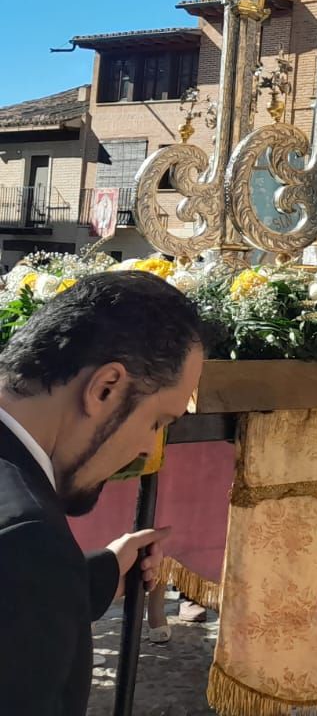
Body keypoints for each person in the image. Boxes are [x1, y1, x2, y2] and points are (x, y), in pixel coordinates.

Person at [0, 272, 206, 716]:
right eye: (157, 422)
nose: (148, 447)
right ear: (105, 388)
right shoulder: (26, 539)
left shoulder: (28, 551)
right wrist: (47, 565)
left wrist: (103, 570)